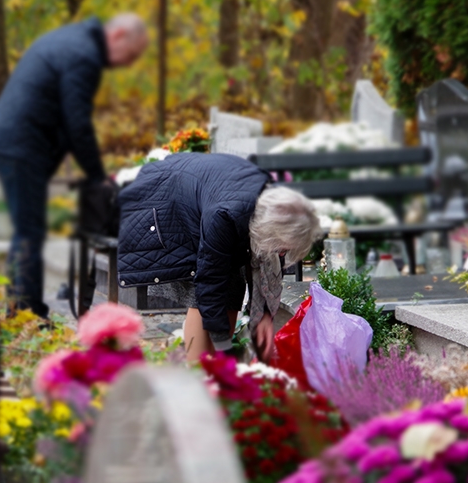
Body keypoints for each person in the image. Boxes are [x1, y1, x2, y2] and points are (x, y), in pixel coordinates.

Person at [0, 14, 149, 317]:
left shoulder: (76, 40)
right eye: (131, 55)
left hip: (18, 140)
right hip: (21, 142)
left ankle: (22, 309)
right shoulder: (83, 54)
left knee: (28, 228)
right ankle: (27, 314)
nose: (128, 64)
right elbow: (77, 123)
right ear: (119, 35)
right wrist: (98, 176)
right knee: (29, 229)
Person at [117, 152, 322, 362]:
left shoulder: (274, 209)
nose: (282, 253)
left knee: (232, 287)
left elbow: (267, 270)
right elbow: (209, 282)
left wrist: (264, 318)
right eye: (282, 247)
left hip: (211, 193)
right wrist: (223, 349)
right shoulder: (224, 215)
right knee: (198, 296)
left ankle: (214, 372)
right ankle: (198, 375)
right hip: (169, 203)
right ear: (272, 229)